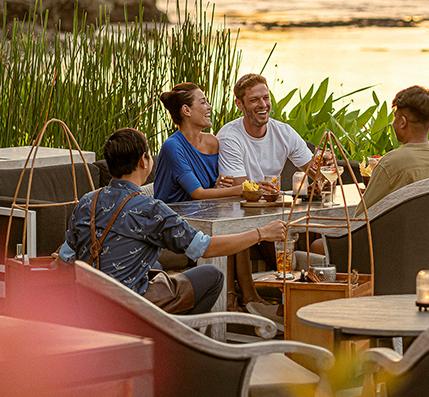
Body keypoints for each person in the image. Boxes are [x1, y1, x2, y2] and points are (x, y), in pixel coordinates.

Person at [57, 128, 286, 315]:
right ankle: (178, 338)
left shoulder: (88, 201)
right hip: (131, 308)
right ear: (144, 162)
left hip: (88, 305)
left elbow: (65, 256)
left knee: (155, 267)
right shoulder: (151, 209)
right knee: (212, 276)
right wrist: (261, 233)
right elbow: (204, 248)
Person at [217, 73, 315, 321]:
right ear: (240, 104)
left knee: (302, 229)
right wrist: (264, 192)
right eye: (254, 100)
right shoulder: (230, 136)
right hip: (239, 214)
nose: (263, 105)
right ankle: (261, 302)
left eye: (266, 97)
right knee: (274, 234)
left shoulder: (284, 132)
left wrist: (325, 167)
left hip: (276, 211)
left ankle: (303, 305)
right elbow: (241, 188)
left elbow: (316, 171)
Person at [354, 85, 429, 216]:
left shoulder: (391, 163)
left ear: (402, 122)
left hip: (394, 235)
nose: (393, 123)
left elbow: (361, 217)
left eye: (395, 117)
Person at [154, 82, 242, 203]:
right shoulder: (172, 146)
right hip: (173, 217)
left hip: (204, 214)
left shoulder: (211, 142)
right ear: (186, 110)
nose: (209, 106)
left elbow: (210, 189)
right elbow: (198, 193)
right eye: (203, 102)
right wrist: (242, 190)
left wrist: (219, 184)